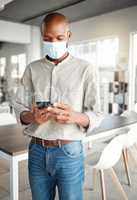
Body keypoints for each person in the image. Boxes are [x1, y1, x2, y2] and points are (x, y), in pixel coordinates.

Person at [13, 12, 103, 200]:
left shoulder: (86, 69)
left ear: (68, 36)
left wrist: (75, 117)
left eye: (59, 38)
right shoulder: (32, 69)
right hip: (37, 151)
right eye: (48, 38)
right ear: (42, 37)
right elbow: (18, 105)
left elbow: (97, 113)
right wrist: (32, 117)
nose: (53, 43)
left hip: (69, 152)